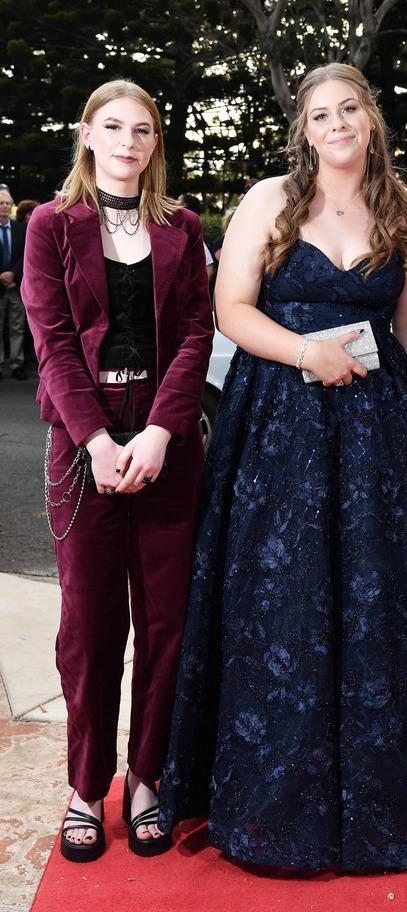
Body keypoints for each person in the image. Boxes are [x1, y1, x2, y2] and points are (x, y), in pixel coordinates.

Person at [158, 62, 407, 873]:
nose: (335, 125)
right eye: (319, 114)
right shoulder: (267, 200)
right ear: (304, 129)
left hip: (378, 434)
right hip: (280, 426)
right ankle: (272, 808)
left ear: (370, 119)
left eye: (348, 110)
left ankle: (388, 808)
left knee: (380, 604)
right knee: (284, 600)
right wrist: (307, 351)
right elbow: (231, 308)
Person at [21, 80, 214, 863]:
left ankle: (146, 780)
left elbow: (198, 333)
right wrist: (98, 441)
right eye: (114, 127)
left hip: (168, 449)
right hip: (82, 449)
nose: (129, 141)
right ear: (88, 136)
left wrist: (164, 431)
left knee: (166, 624)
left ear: (155, 142)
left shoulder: (184, 226)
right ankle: (85, 784)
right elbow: (52, 338)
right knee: (90, 628)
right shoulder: (49, 225)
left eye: (143, 129)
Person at [0, 184, 28, 380]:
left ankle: (17, 364)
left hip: (16, 285)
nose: (4, 206)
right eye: (1, 203)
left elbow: (26, 255)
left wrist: (12, 275)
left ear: (12, 206)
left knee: (17, 327)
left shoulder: (21, 229)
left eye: (7, 203)